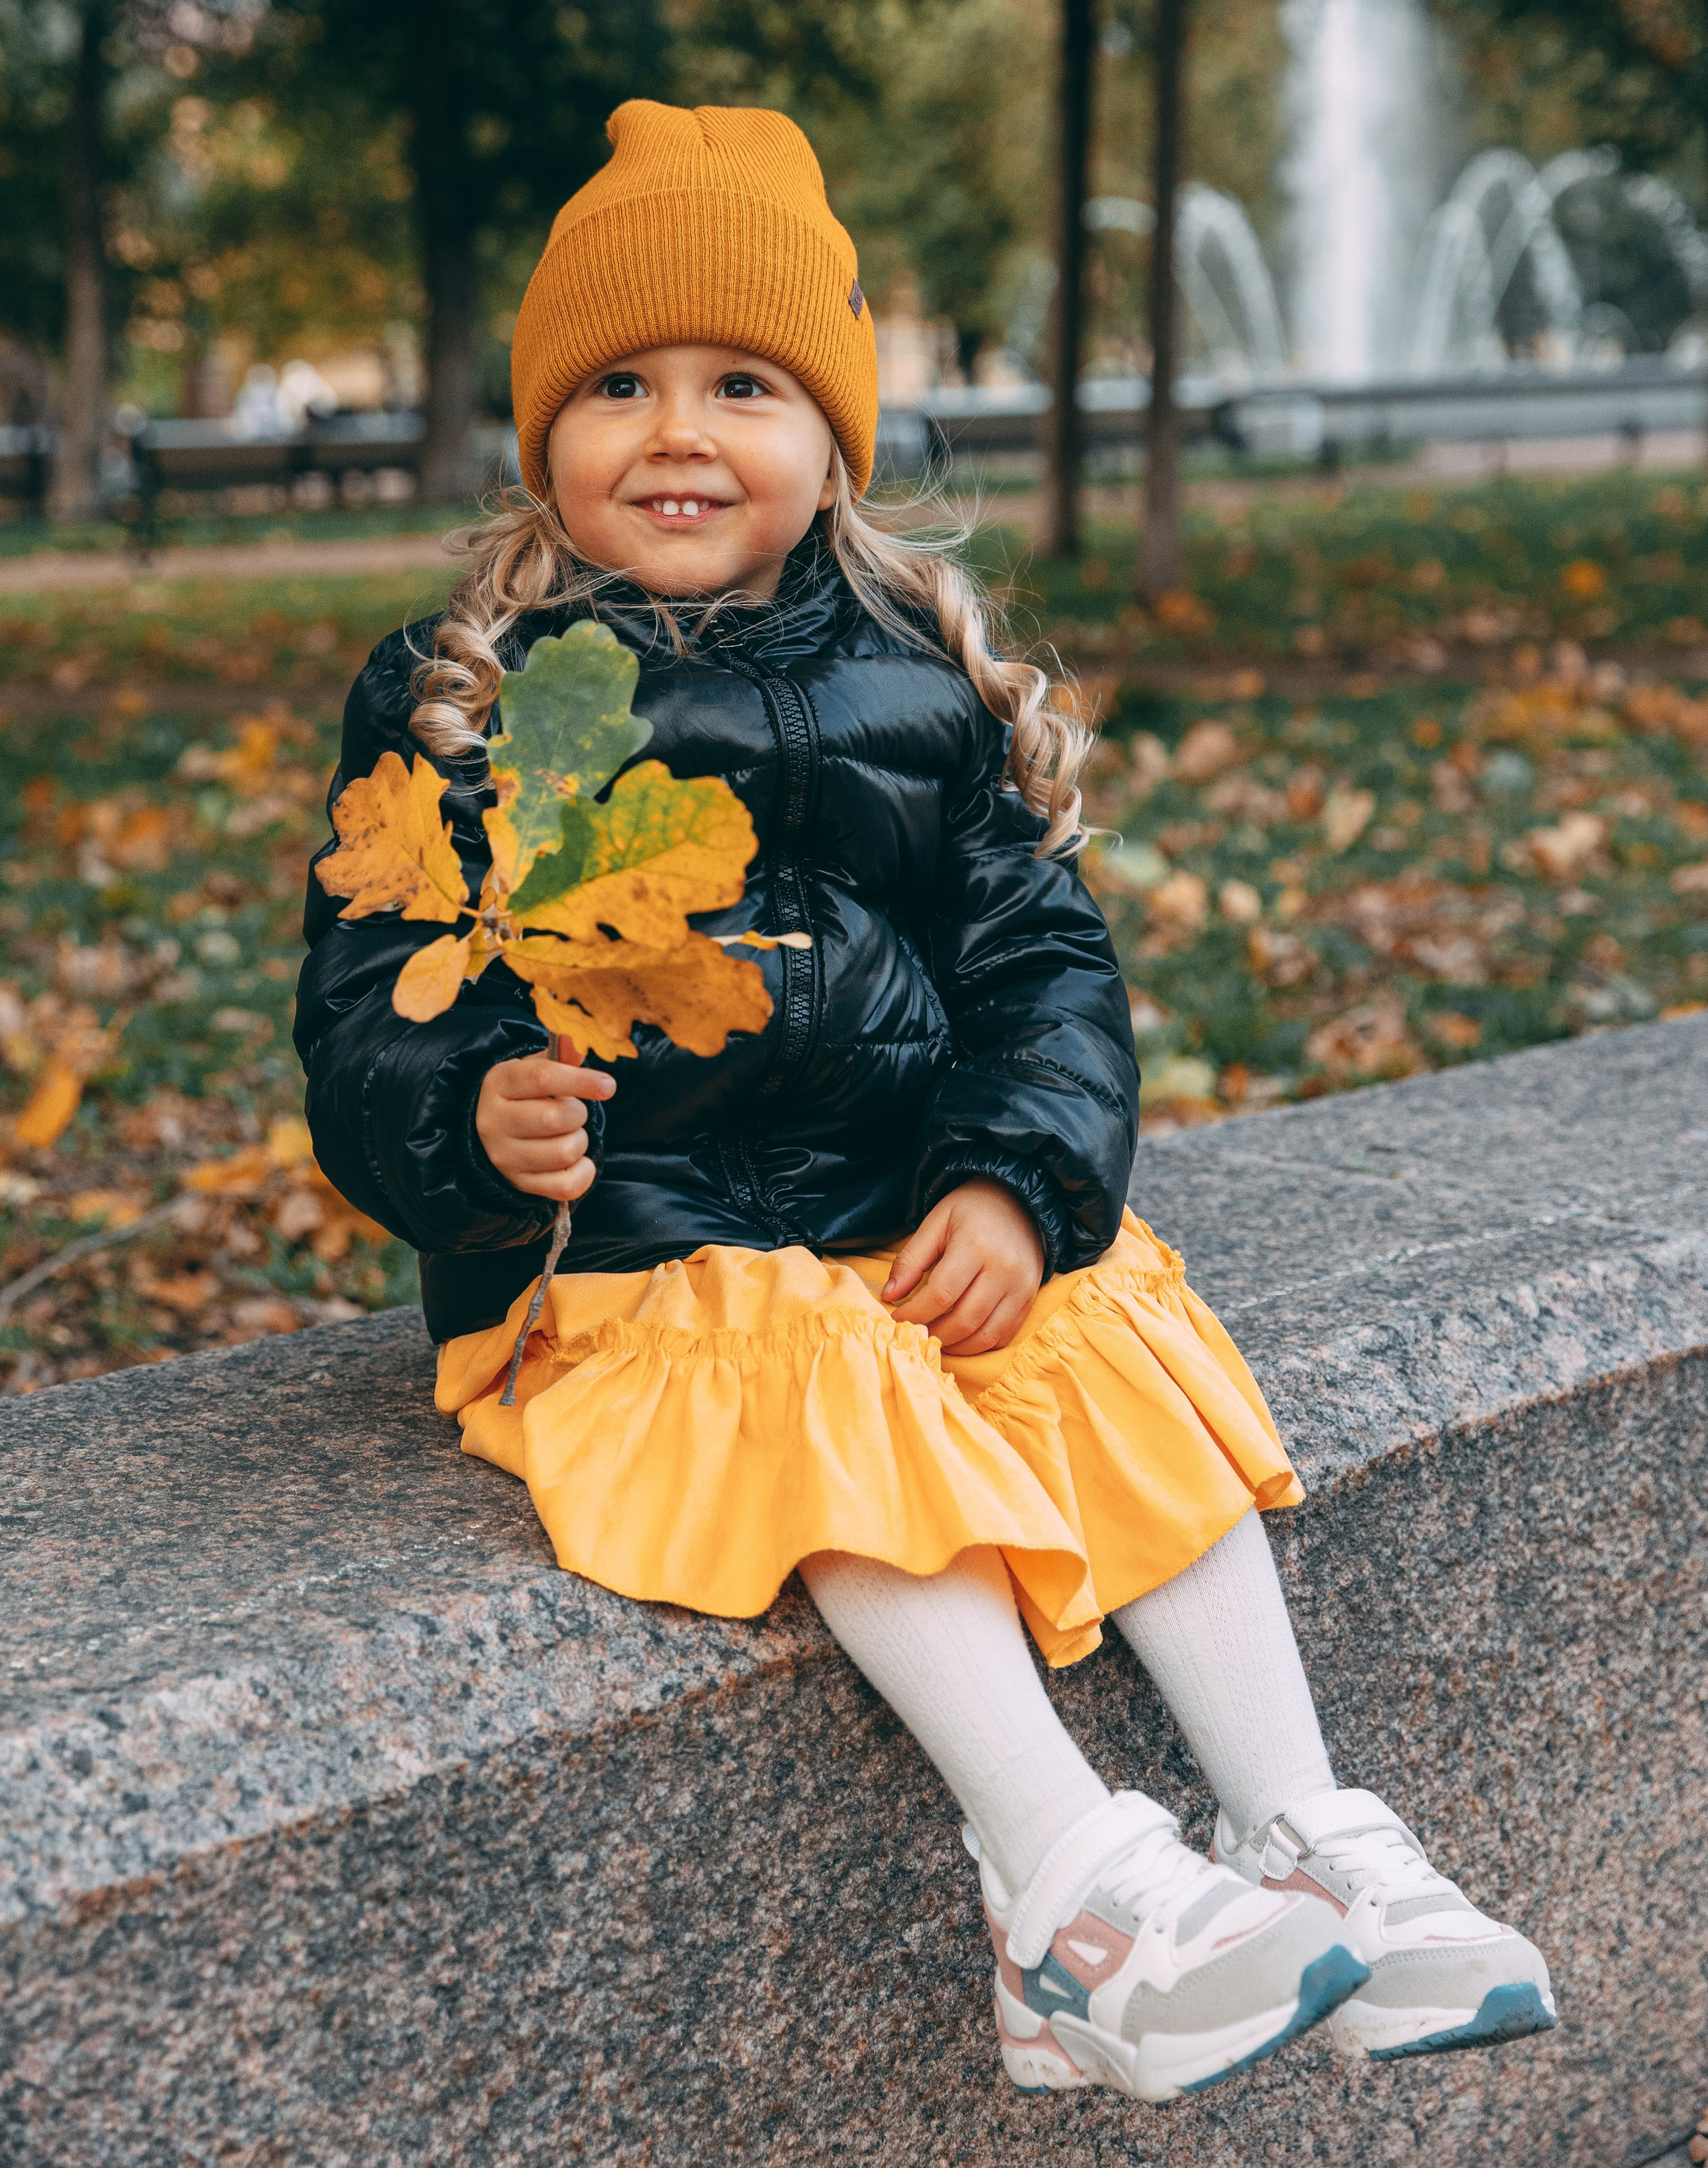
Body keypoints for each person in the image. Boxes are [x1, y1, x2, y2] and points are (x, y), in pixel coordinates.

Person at [296, 101, 1554, 2104]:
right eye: (617, 384)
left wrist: (1017, 1176)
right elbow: (372, 1008)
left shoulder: (916, 675)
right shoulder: (484, 690)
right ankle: (1066, 1886)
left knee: (1105, 1320)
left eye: (743, 384)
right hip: (621, 1277)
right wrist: (473, 1127)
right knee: (798, 1361)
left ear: (834, 435)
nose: (679, 431)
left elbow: (1043, 967)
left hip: (888, 1220)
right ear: (543, 427)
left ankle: (1303, 1830)